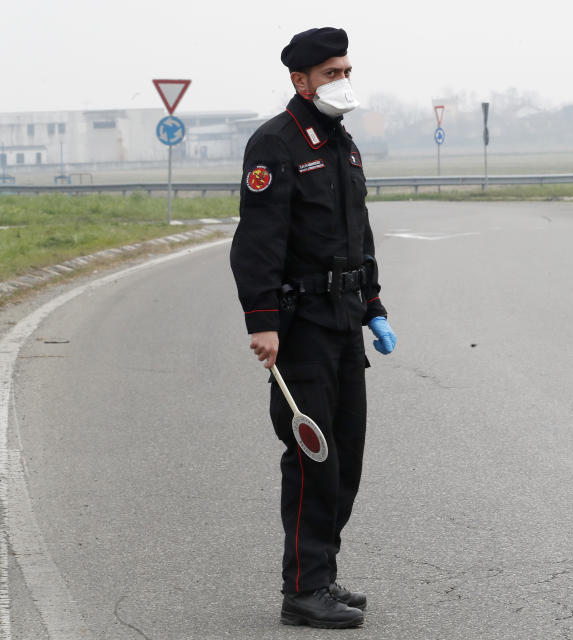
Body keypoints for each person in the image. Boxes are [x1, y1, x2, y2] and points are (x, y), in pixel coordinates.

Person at [229, 26, 396, 630]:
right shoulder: (275, 143)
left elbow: (359, 234)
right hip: (299, 328)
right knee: (311, 459)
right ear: (300, 81)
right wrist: (263, 321)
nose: (342, 81)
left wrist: (374, 305)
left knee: (346, 457)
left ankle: (320, 575)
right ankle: (303, 590)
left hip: (344, 323)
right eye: (331, 73)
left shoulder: (343, 144)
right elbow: (258, 242)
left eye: (346, 70)